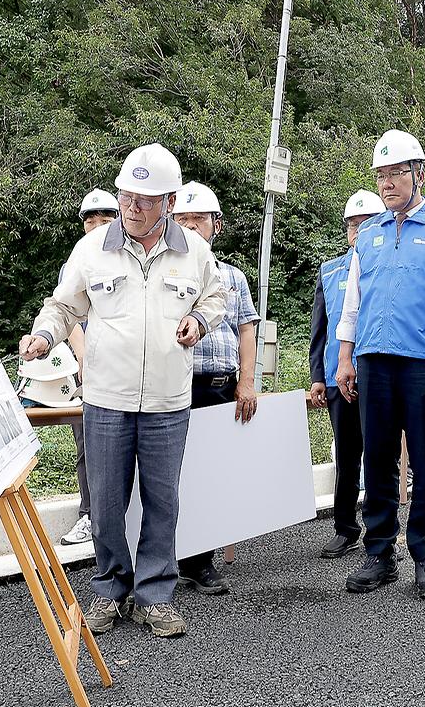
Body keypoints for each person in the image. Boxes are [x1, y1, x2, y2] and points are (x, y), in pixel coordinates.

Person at [20, 143, 225, 639]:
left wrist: (198, 320)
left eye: (146, 200)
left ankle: (154, 594)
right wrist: (44, 335)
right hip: (106, 399)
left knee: (163, 500)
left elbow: (215, 297)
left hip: (167, 402)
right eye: (127, 196)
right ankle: (111, 590)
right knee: (107, 502)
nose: (133, 208)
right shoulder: (92, 249)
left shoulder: (194, 251)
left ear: (170, 202)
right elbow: (63, 305)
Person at [335, 129, 425, 600]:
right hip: (372, 359)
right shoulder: (369, 234)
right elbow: (353, 300)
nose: (388, 183)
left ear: (418, 174)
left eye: (397, 173)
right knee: (376, 458)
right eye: (381, 175)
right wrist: (345, 356)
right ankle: (378, 552)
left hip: (424, 362)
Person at [172, 180, 260, 595]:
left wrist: (247, 381)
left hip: (222, 387)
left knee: (213, 475)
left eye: (199, 219)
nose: (191, 226)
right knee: (171, 474)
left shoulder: (233, 277)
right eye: (182, 218)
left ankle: (200, 562)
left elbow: (246, 330)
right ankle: (170, 560)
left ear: (216, 225)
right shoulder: (166, 273)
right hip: (176, 385)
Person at [308, 189, 387, 559]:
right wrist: (317, 378)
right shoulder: (330, 270)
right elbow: (319, 331)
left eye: (366, 223)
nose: (358, 230)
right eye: (352, 224)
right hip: (337, 377)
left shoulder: (388, 266)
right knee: (347, 455)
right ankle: (345, 527)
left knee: (380, 456)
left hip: (378, 377)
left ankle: (381, 532)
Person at [61, 189, 120, 546]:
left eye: (105, 219)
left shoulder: (129, 254)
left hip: (126, 372)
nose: (96, 226)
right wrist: (83, 358)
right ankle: (89, 515)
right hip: (89, 369)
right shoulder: (76, 261)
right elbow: (66, 313)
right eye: (90, 220)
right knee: (87, 445)